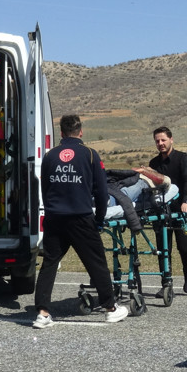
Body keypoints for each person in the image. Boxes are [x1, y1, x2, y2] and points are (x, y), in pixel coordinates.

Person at [32, 114, 128, 328]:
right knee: (96, 263)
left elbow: (45, 187)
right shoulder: (90, 155)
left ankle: (43, 313)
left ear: (61, 132)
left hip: (55, 217)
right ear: (81, 132)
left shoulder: (50, 156)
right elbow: (101, 192)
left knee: (49, 264)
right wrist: (99, 219)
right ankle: (111, 308)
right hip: (81, 217)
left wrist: (50, 211)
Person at [149, 126, 187, 294]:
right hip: (161, 213)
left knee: (184, 248)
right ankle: (166, 283)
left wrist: (186, 200)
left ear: (171, 139)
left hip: (181, 210)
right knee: (163, 249)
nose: (160, 143)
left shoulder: (184, 159)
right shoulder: (154, 164)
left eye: (163, 140)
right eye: (157, 141)